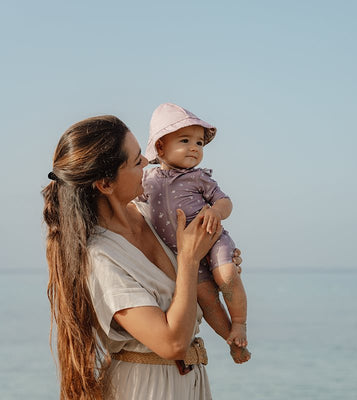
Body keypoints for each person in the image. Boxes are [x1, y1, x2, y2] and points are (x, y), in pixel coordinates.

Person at [42, 115, 244, 400]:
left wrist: (218, 260)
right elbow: (172, 343)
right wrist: (188, 260)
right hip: (144, 389)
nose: (148, 164)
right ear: (105, 184)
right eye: (137, 161)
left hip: (191, 382)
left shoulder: (153, 216)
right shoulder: (100, 258)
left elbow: (196, 279)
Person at [139, 103, 250, 362]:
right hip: (184, 255)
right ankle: (232, 341)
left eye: (199, 143)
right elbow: (130, 201)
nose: (194, 148)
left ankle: (241, 323)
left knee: (227, 276)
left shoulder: (199, 178)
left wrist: (216, 213)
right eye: (185, 140)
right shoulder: (147, 181)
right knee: (207, 300)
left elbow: (225, 202)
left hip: (212, 241)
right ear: (160, 147)